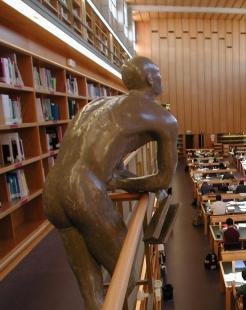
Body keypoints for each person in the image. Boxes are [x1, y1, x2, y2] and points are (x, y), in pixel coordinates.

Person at [43, 57, 178, 309]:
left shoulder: (94, 106)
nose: (161, 80)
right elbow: (163, 179)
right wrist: (120, 183)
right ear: (149, 79)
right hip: (84, 191)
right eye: (158, 75)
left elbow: (107, 157)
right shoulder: (164, 119)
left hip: (52, 188)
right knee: (124, 277)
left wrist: (118, 176)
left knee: (90, 289)